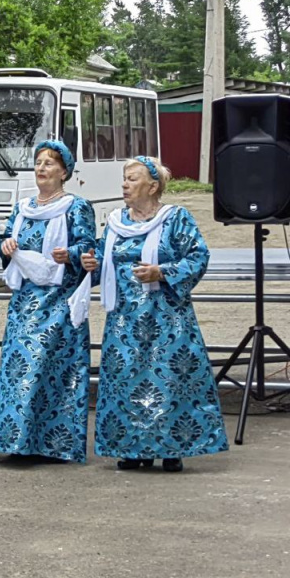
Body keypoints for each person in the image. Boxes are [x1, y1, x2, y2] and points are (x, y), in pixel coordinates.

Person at [81, 156, 228, 472]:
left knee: (169, 381)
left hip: (167, 319)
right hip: (124, 321)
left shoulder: (175, 218)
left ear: (152, 186)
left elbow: (198, 256)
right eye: (124, 179)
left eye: (132, 179)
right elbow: (103, 260)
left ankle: (172, 448)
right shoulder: (116, 221)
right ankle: (132, 449)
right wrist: (91, 264)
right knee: (126, 381)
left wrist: (162, 272)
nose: (125, 185)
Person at [0, 140, 96, 463]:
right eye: (38, 162)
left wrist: (70, 254)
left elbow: (89, 247)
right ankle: (16, 442)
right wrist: (6, 247)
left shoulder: (76, 207)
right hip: (24, 302)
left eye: (49, 163)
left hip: (59, 300)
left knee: (52, 370)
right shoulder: (23, 207)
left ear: (64, 172)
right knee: (18, 369)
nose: (41, 168)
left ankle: (54, 444)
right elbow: (8, 240)